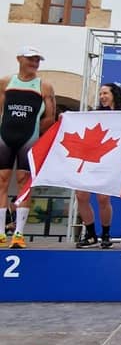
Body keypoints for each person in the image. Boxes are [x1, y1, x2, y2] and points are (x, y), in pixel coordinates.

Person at [0, 46, 56, 249]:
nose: (34, 63)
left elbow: (50, 116)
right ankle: (0, 232)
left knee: (24, 183)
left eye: (37, 60)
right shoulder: (6, 82)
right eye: (31, 59)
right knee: (2, 181)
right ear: (19, 59)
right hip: (4, 137)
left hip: (28, 139)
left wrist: (34, 135)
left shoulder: (45, 86)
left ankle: (19, 233)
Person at [76, 83, 121, 248]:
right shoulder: (96, 113)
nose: (102, 97)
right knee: (81, 196)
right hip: (89, 158)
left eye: (105, 93)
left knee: (103, 198)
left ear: (114, 94)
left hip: (109, 160)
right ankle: (90, 234)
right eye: (100, 94)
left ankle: (105, 234)